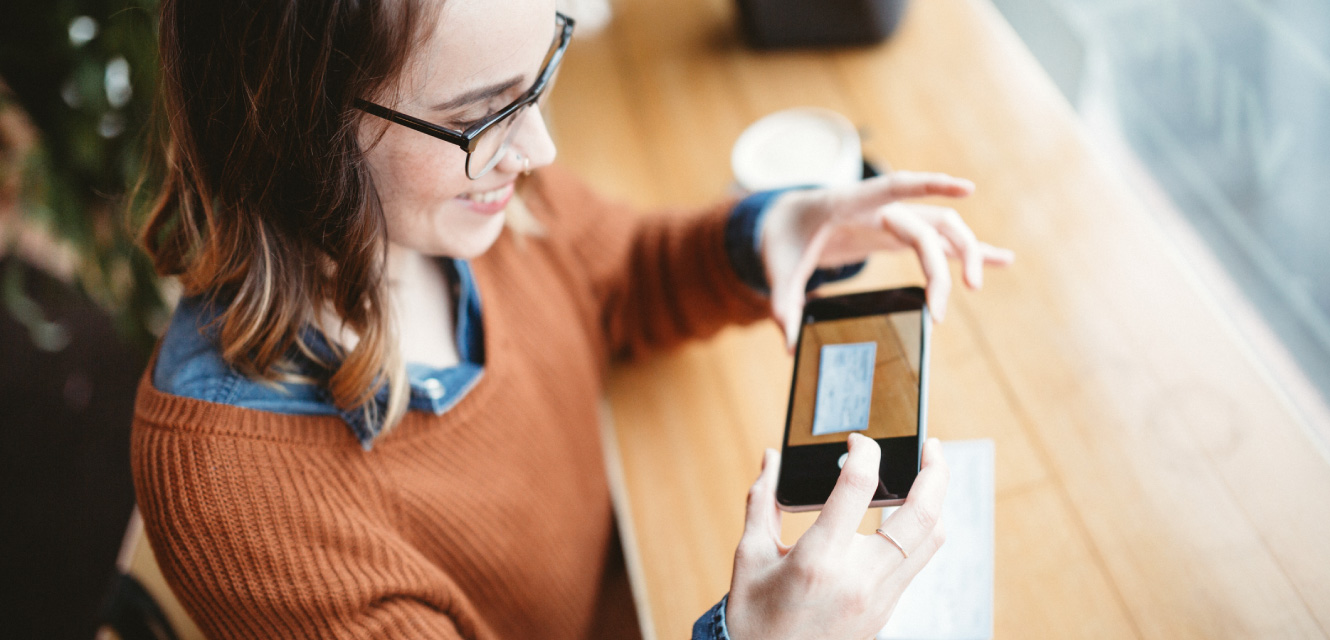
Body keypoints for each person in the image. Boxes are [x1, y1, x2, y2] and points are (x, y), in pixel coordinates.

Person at [131, 0, 1014, 637]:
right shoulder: (238, 499)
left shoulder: (468, 192)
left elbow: (617, 275)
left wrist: (771, 232)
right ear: (295, 127)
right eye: (483, 112)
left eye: (540, 69)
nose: (541, 148)